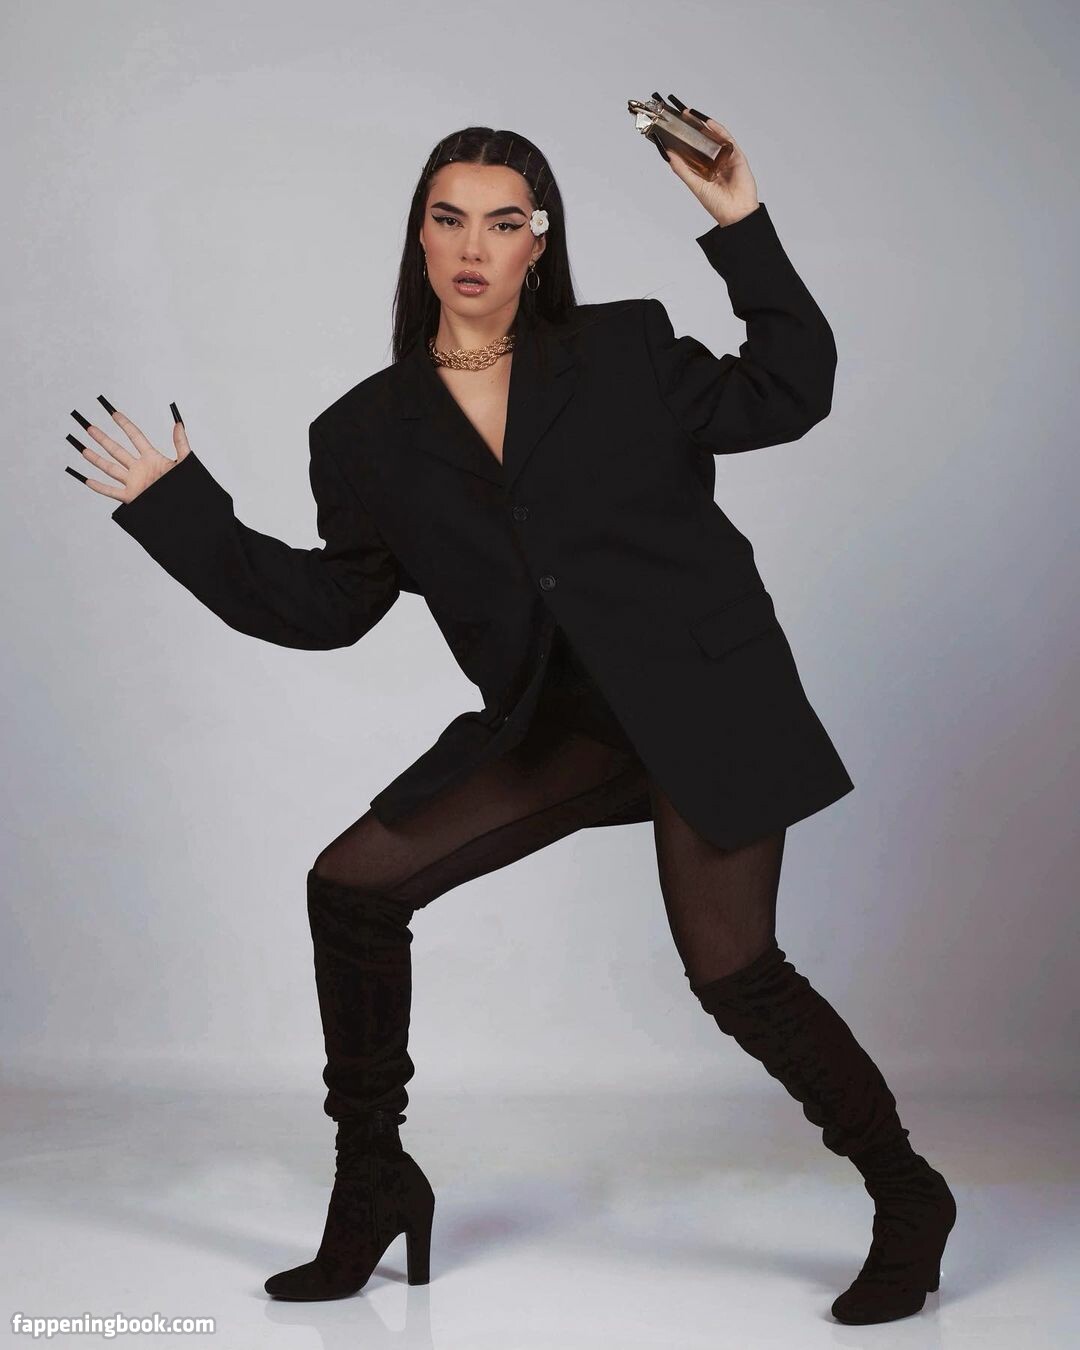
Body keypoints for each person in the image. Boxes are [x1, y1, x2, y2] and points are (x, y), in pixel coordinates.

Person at [64, 111, 956, 1325]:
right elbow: (327, 609)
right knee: (353, 889)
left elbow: (792, 389)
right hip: (561, 721)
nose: (473, 247)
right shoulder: (366, 433)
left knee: (736, 976)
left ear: (540, 242)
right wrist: (182, 514)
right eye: (449, 220)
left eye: (502, 222)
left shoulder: (625, 350)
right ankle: (374, 1180)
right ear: (420, 240)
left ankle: (908, 1194)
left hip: (707, 696)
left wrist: (740, 221)